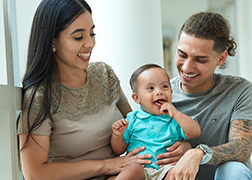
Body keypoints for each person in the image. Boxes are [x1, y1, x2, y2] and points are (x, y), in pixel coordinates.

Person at [17, 0, 151, 179]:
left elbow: (137, 125)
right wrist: (106, 165)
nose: (90, 43)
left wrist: (182, 147)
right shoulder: (39, 97)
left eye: (92, 33)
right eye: (78, 37)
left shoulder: (105, 74)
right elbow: (34, 173)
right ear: (52, 41)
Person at [156, 12, 252, 180]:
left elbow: (242, 147)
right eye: (182, 55)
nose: (187, 67)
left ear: (221, 58)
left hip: (222, 176)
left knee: (235, 170)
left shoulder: (240, 90)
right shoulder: (160, 95)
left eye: (200, 59)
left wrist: (198, 153)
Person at [110, 64, 201, 180]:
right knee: (132, 169)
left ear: (171, 92)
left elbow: (195, 132)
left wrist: (176, 114)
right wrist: (117, 135)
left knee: (178, 173)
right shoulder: (132, 119)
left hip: (166, 169)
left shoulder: (175, 118)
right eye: (150, 88)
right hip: (140, 169)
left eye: (164, 86)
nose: (159, 92)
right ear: (136, 98)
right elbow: (119, 150)